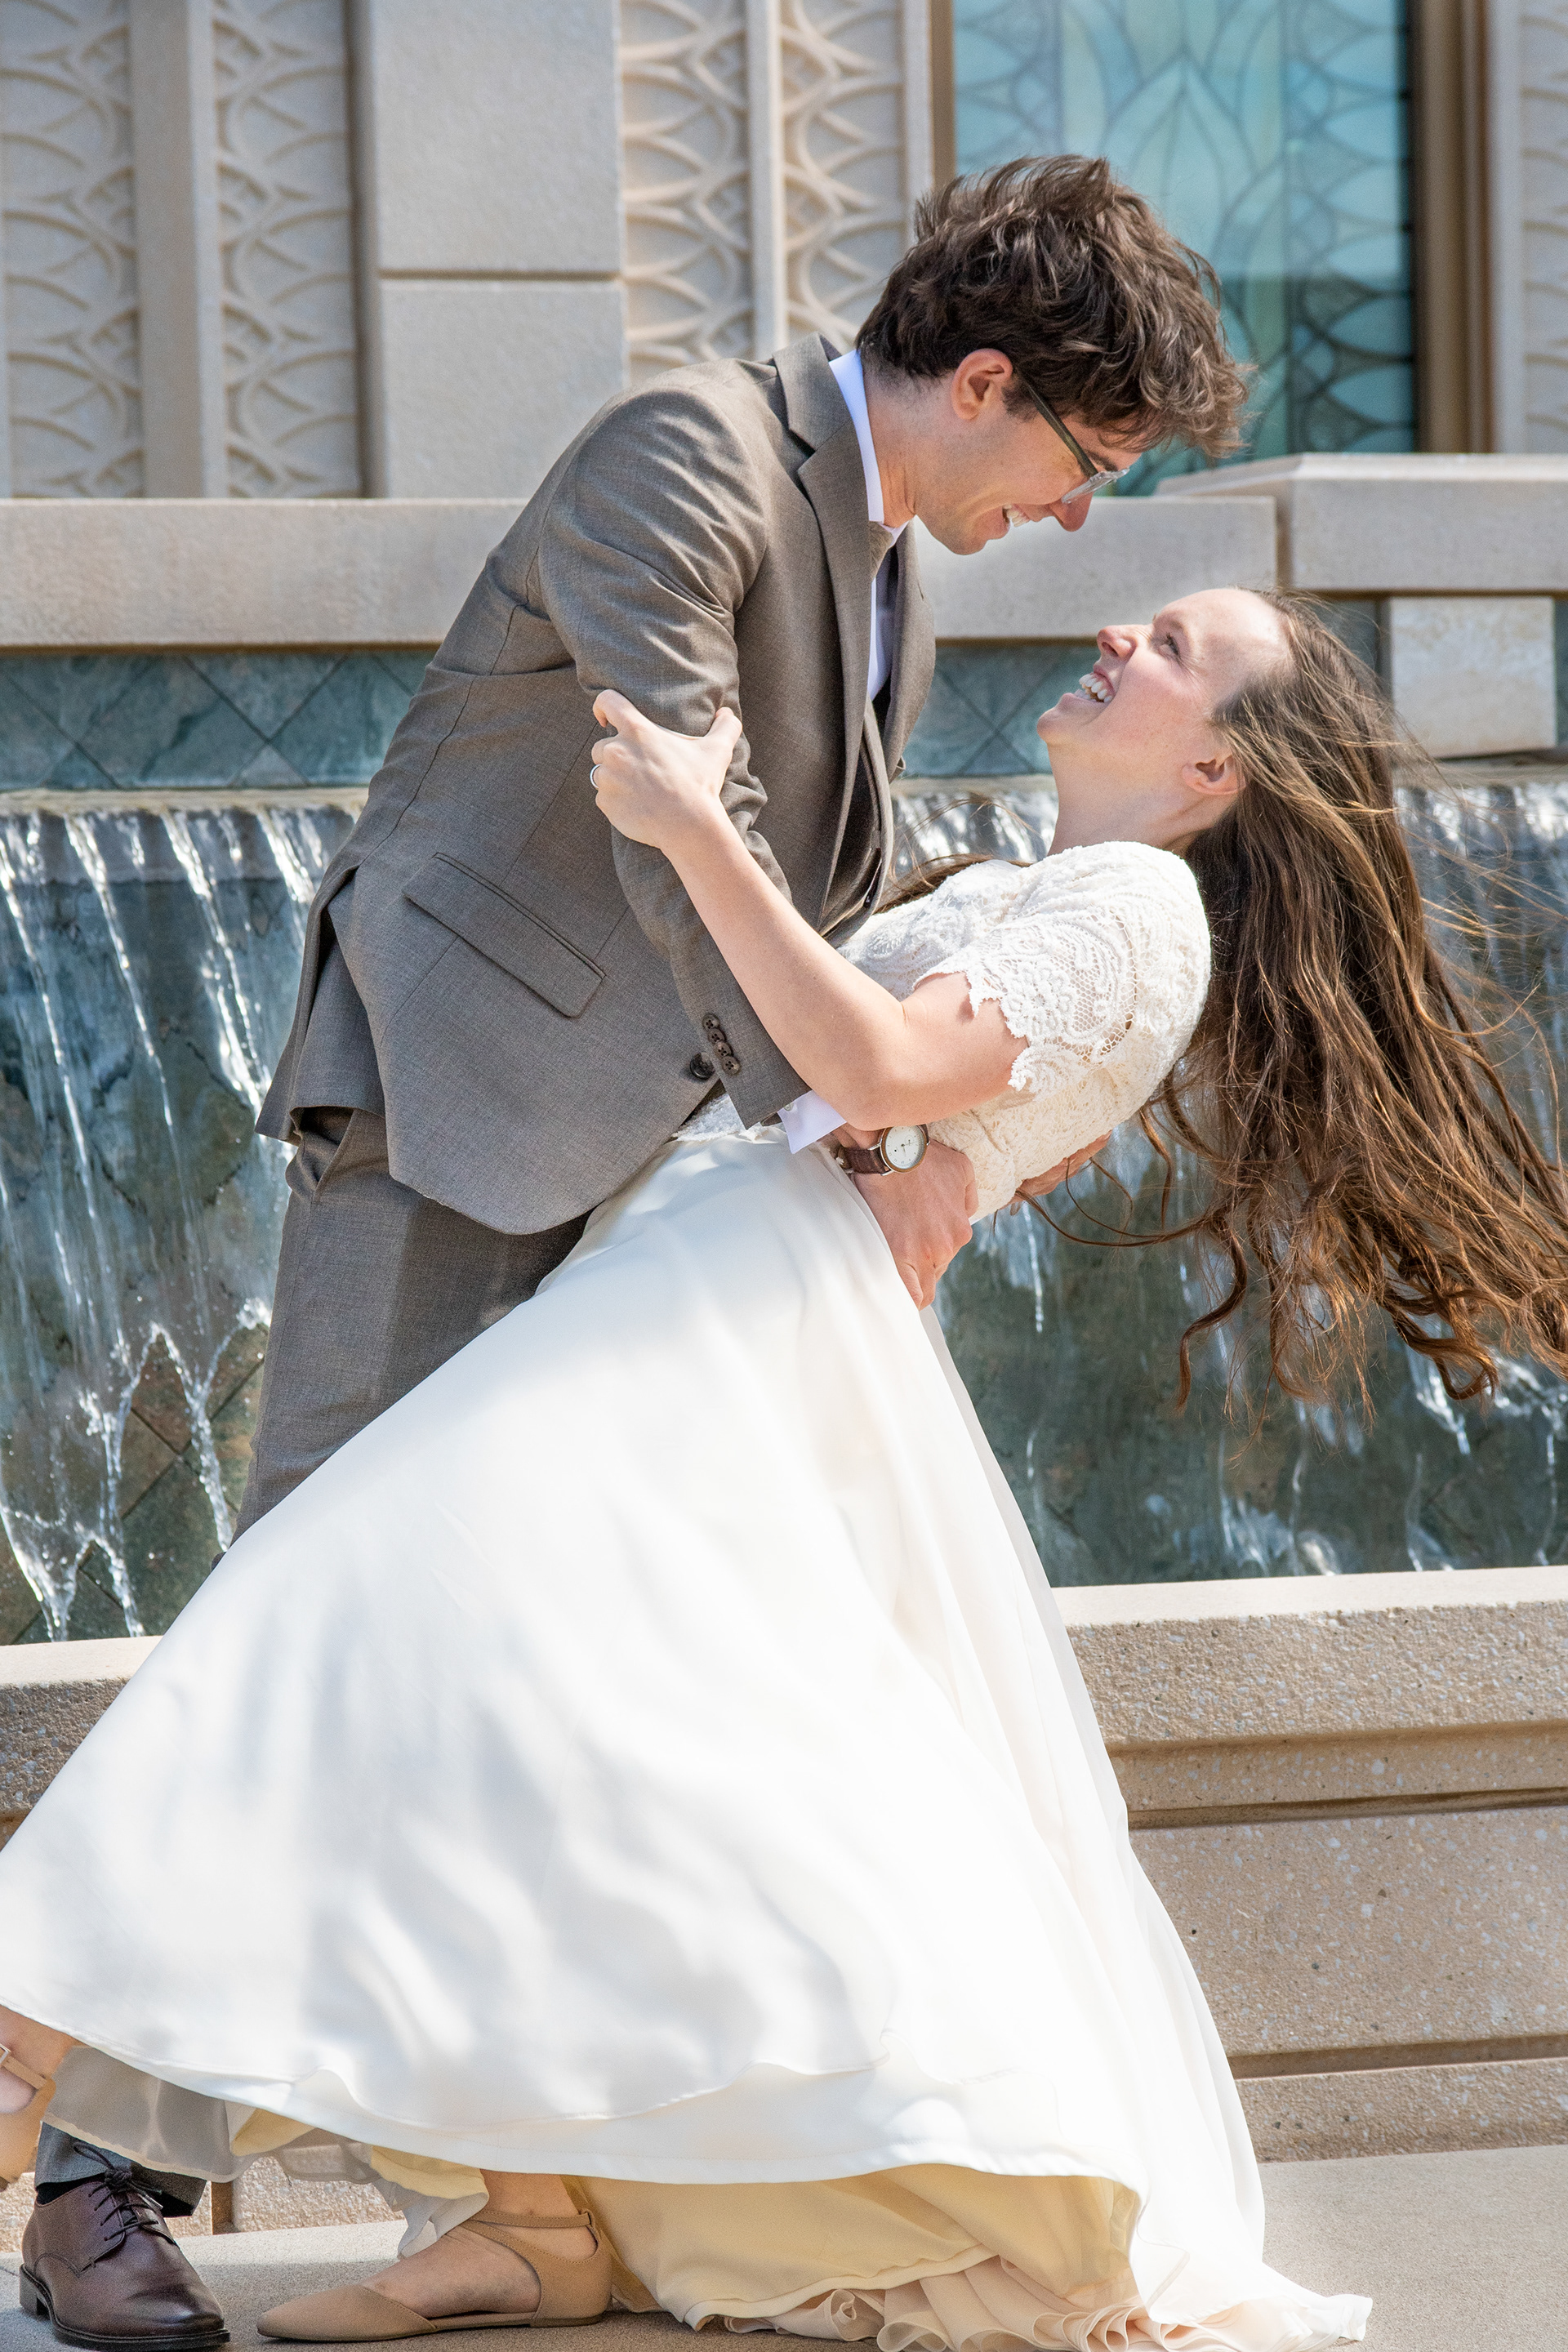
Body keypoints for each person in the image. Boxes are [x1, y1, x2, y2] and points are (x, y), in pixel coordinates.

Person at [11, 586, 1568, 2350]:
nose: (1119, 633)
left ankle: (28, 2050)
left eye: (1175, 647)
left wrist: (698, 824)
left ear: (1216, 765)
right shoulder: (1043, 888)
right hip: (695, 1280)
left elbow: (883, 1063)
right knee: (527, 1707)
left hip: (730, 1314)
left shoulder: (1140, 906)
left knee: (359, 1588)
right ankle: (533, 2222)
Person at [3, 153, 1249, 2342]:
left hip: (658, 1204)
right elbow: (674, 818)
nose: (1074, 516)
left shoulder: (884, 563)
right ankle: (97, 2183)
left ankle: (541, 2204)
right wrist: (845, 1103)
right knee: (306, 1615)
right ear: (984, 380)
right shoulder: (691, 450)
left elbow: (812, 892)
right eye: (1084, 459)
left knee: (503, 1674)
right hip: (462, 1119)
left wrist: (936, 1119)